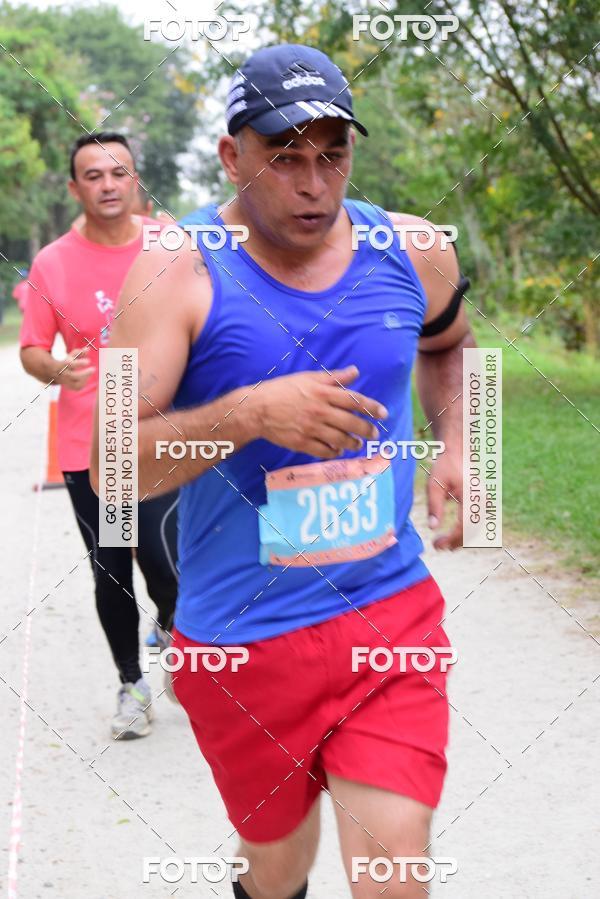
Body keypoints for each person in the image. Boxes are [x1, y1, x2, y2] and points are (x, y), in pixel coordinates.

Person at [92, 45, 475, 897]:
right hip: (241, 639)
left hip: (388, 617)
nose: (314, 184)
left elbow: (453, 349)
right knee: (277, 863)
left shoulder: (413, 248)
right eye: (285, 158)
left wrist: (456, 446)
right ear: (233, 157)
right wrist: (249, 415)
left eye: (332, 155)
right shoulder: (169, 271)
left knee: (393, 864)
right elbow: (111, 464)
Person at [20, 132, 179, 740]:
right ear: (75, 188)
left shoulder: (169, 246)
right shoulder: (54, 262)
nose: (108, 184)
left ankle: (170, 622)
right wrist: (54, 368)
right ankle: (132, 685)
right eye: (93, 175)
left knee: (164, 559)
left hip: (166, 433)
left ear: (135, 179)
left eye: (119, 172)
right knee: (112, 564)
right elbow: (33, 347)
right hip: (94, 443)